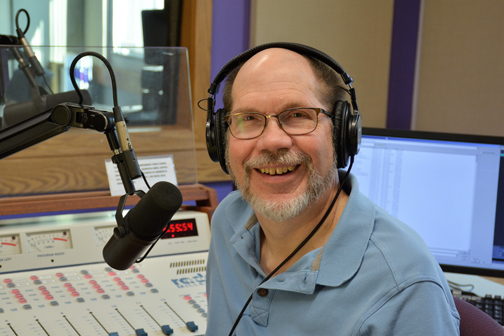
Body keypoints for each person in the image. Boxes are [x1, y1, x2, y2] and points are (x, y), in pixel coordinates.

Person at [204, 43, 460, 335]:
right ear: (221, 138)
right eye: (248, 118)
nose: (272, 141)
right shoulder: (229, 219)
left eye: (297, 115)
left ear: (342, 134)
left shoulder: (407, 285)